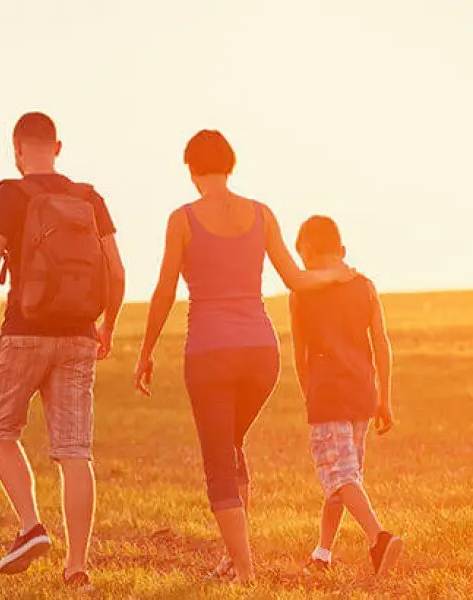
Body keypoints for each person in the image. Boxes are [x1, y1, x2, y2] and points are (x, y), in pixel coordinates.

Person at [134, 130, 355, 584]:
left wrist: (146, 351)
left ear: (192, 170)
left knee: (218, 459)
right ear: (230, 164)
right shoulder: (261, 214)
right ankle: (233, 556)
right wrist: (335, 275)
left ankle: (246, 573)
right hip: (261, 355)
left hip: (210, 355)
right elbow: (295, 278)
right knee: (231, 447)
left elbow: (164, 291)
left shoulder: (183, 219)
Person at [0, 112, 125, 590]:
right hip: (80, 336)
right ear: (58, 147)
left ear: (17, 149)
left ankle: (30, 526)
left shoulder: (10, 193)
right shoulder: (88, 197)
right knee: (74, 453)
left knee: (0, 432)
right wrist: (106, 326)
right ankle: (78, 568)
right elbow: (117, 270)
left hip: (23, 332)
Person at [290, 215, 402, 577]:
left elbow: (299, 354)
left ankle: (378, 539)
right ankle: (322, 554)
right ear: (340, 249)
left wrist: (311, 394)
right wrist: (384, 398)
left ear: (306, 250)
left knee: (339, 476)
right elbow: (381, 344)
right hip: (362, 394)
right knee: (344, 477)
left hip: (329, 396)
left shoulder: (302, 291)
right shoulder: (366, 286)